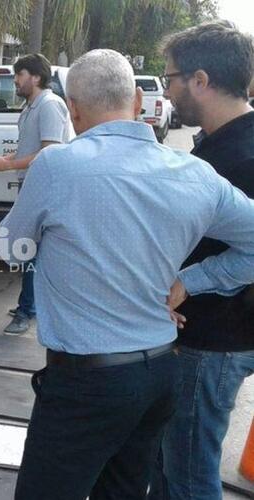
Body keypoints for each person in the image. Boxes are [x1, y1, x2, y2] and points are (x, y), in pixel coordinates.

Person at [0, 49, 254, 499]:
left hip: (85, 382)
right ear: (137, 99)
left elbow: (13, 251)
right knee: (125, 490)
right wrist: (190, 281)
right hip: (158, 374)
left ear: (72, 108)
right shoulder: (197, 174)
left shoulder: (57, 166)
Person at [148, 21, 254, 500]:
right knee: (172, 467)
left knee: (189, 475)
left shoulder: (242, 156)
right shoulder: (219, 143)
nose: (167, 91)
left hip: (216, 340)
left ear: (201, 80)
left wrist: (188, 280)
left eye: (170, 78)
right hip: (207, 335)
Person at [0, 54, 73, 334]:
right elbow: (27, 149)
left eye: (20, 75)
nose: (15, 81)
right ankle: (29, 305)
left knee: (31, 250)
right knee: (28, 248)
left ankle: (27, 311)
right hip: (31, 185)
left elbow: (48, 151)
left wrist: (9, 165)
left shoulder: (50, 106)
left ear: (37, 77)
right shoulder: (31, 106)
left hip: (46, 188)